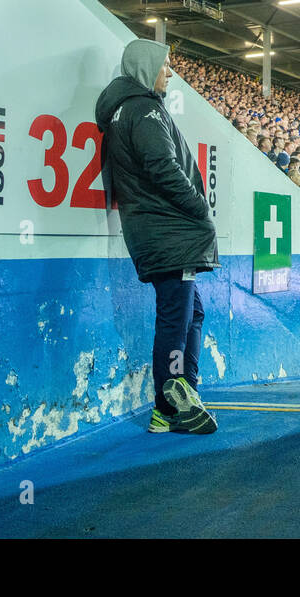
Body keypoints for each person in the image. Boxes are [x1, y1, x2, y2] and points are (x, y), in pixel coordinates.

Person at [95, 39, 218, 434]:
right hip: (169, 234)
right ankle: (169, 405)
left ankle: (184, 393)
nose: (169, 73)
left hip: (155, 233)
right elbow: (162, 167)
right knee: (175, 319)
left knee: (190, 312)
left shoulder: (124, 111)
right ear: (147, 67)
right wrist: (201, 209)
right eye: (165, 65)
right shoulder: (144, 109)